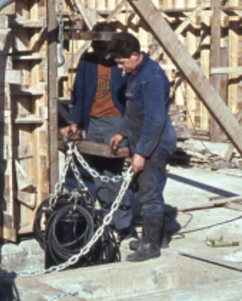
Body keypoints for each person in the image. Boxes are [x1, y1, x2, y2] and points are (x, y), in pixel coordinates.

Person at [107, 32, 177, 262]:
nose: (119, 67)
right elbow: (134, 110)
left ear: (135, 56)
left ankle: (150, 246)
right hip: (144, 140)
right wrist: (122, 132)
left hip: (156, 143)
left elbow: (155, 120)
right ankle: (157, 237)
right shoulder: (135, 74)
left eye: (121, 62)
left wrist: (142, 153)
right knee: (147, 190)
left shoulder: (152, 77)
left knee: (149, 194)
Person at [60, 24, 133, 237]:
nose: (101, 52)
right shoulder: (88, 61)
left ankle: (123, 224)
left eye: (104, 48)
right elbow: (79, 93)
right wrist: (76, 122)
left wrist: (125, 126)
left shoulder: (120, 63)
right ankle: (108, 220)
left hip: (114, 121)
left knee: (113, 175)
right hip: (93, 122)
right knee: (98, 177)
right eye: (98, 47)